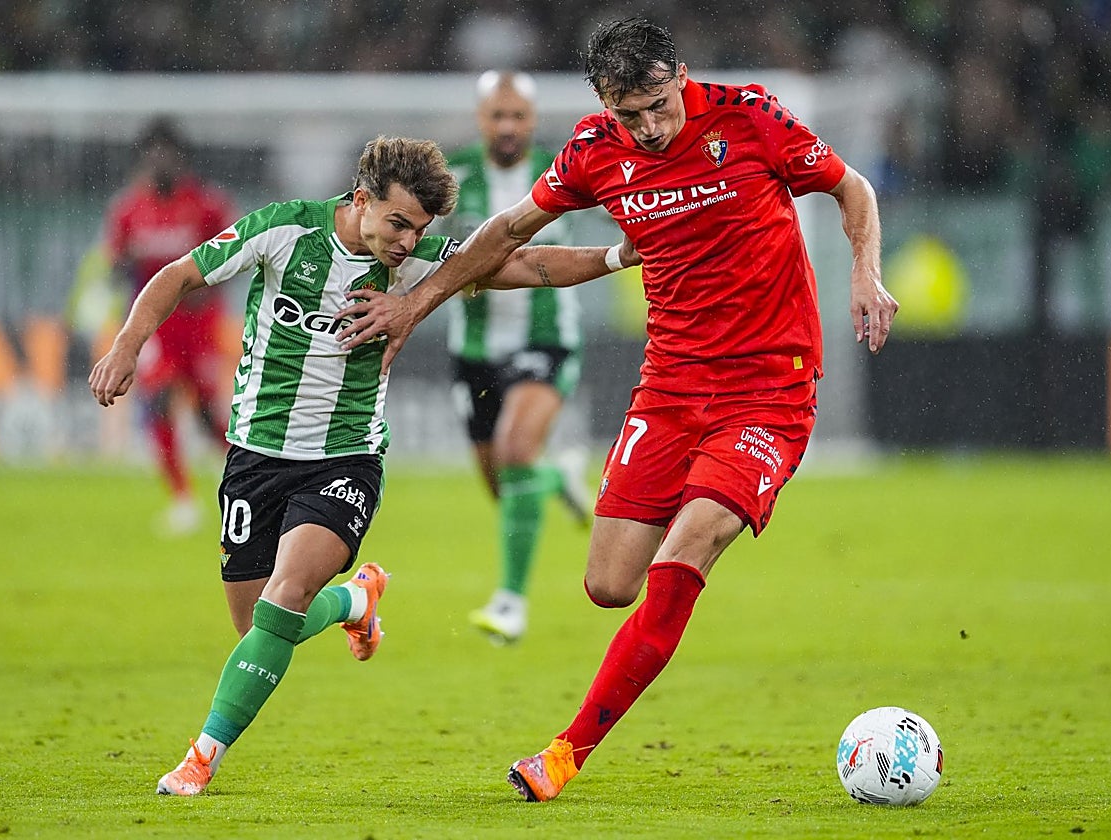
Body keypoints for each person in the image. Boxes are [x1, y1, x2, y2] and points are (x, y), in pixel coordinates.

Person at [336, 20, 899, 802]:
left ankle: (565, 753)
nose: (652, 127)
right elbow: (508, 234)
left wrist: (866, 274)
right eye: (631, 113)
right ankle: (684, 528)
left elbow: (852, 187)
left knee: (688, 548)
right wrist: (411, 304)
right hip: (669, 388)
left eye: (661, 105)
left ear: (682, 76)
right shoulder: (596, 150)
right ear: (605, 103)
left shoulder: (749, 116)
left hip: (769, 388)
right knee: (607, 584)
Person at [88, 135, 640, 797]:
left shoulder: (416, 264)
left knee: (281, 602)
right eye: (398, 223)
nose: (408, 242)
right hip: (255, 457)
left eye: (421, 229)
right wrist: (127, 344)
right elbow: (177, 275)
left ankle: (200, 756)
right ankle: (356, 600)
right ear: (361, 199)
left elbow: (527, 263)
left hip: (344, 459)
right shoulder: (284, 230)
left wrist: (615, 255)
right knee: (257, 625)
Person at [446, 70, 591, 645]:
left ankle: (511, 603)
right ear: (481, 119)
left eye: (517, 117)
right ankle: (560, 477)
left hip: (546, 339)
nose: (507, 126)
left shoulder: (569, 171)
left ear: (532, 121)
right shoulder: (452, 177)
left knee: (514, 449)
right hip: (474, 351)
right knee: (505, 484)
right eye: (496, 116)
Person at [102, 118, 236, 535]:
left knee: (202, 411)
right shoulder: (128, 209)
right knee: (157, 402)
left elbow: (236, 257)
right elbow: (115, 261)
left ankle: (238, 470)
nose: (159, 160)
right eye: (152, 152)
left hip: (198, 325)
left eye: (167, 152)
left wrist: (208, 286)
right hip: (154, 326)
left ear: (180, 158)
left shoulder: (206, 205)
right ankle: (182, 498)